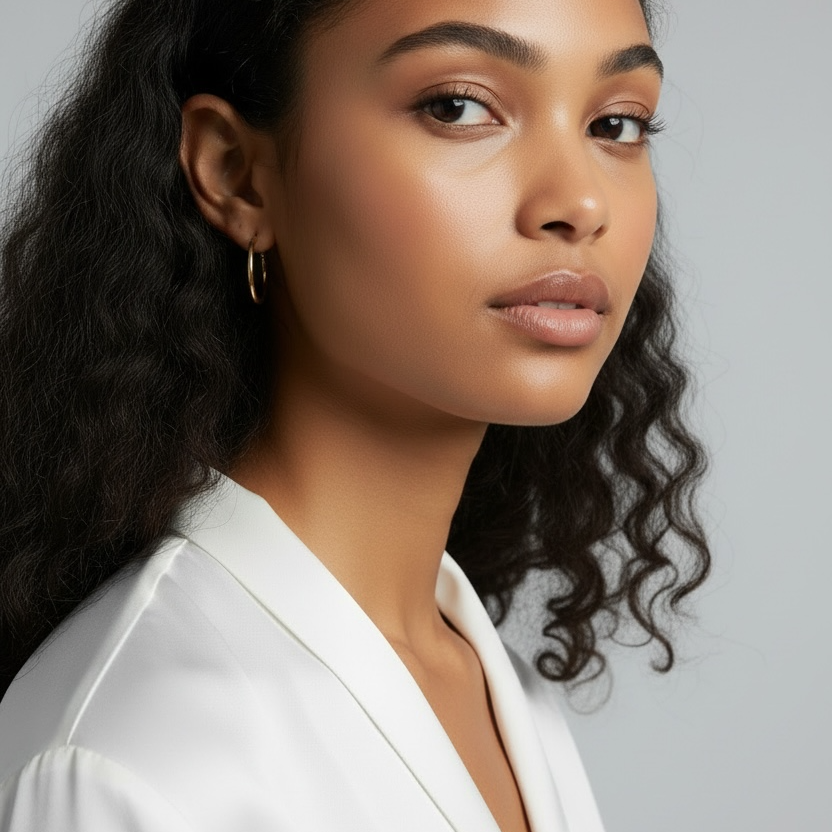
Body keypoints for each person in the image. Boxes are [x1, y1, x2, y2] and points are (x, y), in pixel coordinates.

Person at [0, 0, 710, 829]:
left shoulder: (495, 686)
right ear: (237, 173)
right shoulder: (138, 759)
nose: (581, 202)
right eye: (456, 106)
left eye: (617, 123)